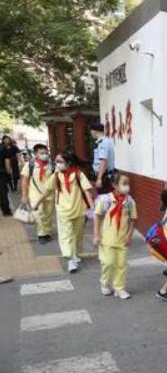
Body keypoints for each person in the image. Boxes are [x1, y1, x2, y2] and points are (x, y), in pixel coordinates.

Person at [33, 151, 95, 273]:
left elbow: (87, 191)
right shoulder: (56, 176)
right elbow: (47, 191)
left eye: (60, 162)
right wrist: (37, 203)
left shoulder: (78, 174)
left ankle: (75, 253)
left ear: (69, 163)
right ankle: (70, 259)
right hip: (62, 211)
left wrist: (92, 208)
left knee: (77, 234)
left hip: (78, 210)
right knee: (66, 236)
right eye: (56, 161)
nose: (57, 164)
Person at [93, 172, 137, 300]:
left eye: (128, 184)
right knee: (108, 263)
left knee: (121, 265)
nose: (127, 186)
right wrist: (96, 235)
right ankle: (105, 283)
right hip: (106, 239)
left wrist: (129, 235)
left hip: (122, 240)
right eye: (124, 183)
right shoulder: (105, 200)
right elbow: (97, 216)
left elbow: (133, 219)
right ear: (114, 185)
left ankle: (119, 288)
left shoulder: (130, 202)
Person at [21, 144, 55, 243]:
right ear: (36, 154)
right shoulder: (30, 165)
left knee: (48, 214)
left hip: (49, 194)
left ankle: (47, 232)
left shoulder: (52, 164)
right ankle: (41, 234)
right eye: (41, 153)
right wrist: (24, 195)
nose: (45, 155)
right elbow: (24, 180)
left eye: (46, 152)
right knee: (39, 213)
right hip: (35, 193)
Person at [90, 123, 115, 194]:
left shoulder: (103, 143)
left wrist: (99, 178)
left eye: (91, 131)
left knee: (104, 198)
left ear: (94, 131)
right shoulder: (105, 141)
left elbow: (103, 161)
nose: (91, 133)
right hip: (104, 174)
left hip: (104, 176)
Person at [1, 136, 17, 212]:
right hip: (2, 173)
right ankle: (6, 210)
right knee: (3, 191)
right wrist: (9, 172)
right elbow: (7, 162)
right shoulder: (5, 149)